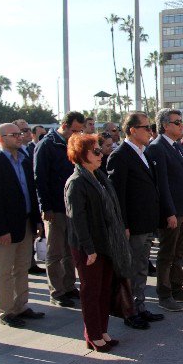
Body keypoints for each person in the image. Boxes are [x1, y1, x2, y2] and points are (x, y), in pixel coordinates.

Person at [65, 133, 132, 352]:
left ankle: (102, 330)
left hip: (107, 243)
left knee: (104, 290)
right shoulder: (76, 182)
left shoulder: (98, 176)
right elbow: (77, 221)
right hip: (89, 247)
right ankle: (93, 334)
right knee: (91, 292)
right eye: (95, 151)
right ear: (81, 154)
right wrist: (89, 249)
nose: (100, 154)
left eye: (99, 150)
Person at [107, 112, 164, 329]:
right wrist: (124, 225)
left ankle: (140, 306)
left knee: (141, 267)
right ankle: (129, 311)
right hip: (133, 225)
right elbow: (117, 196)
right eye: (146, 127)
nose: (150, 131)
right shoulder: (120, 155)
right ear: (132, 130)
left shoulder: (143, 152)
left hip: (147, 221)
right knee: (131, 269)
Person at [146, 109, 183, 312]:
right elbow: (162, 185)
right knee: (166, 254)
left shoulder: (177, 146)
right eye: (177, 122)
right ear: (165, 125)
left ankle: (178, 289)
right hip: (172, 212)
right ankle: (164, 293)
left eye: (181, 122)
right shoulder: (157, 148)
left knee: (179, 253)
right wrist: (169, 212)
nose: (182, 125)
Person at [0, 123, 44, 328]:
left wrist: (37, 220)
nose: (19, 137)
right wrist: (0, 230)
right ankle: (6, 311)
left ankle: (21, 306)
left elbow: (31, 192)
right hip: (6, 228)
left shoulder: (24, 161)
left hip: (26, 223)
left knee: (22, 267)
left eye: (20, 133)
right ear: (1, 139)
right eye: (14, 134)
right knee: (4, 270)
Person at [34, 111, 85, 307]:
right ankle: (56, 291)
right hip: (54, 207)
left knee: (69, 250)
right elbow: (40, 178)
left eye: (79, 131)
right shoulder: (46, 145)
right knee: (54, 252)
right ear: (63, 125)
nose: (77, 134)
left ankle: (69, 286)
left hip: (70, 206)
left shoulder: (72, 144)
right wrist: (45, 206)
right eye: (74, 130)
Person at [12, 119, 46, 275]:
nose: (24, 134)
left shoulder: (27, 152)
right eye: (22, 131)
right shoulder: (8, 158)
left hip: (29, 207)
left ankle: (30, 263)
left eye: (26, 130)